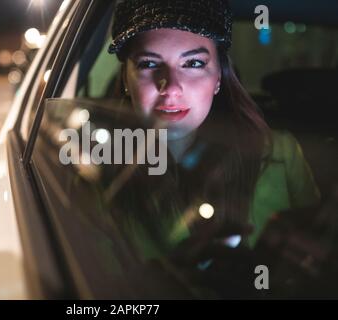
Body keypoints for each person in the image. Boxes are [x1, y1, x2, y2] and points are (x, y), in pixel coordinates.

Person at [103, 0, 321, 260]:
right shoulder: (95, 168)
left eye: (193, 63)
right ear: (126, 79)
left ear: (219, 77)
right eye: (149, 64)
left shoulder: (279, 154)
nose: (171, 87)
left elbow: (318, 250)